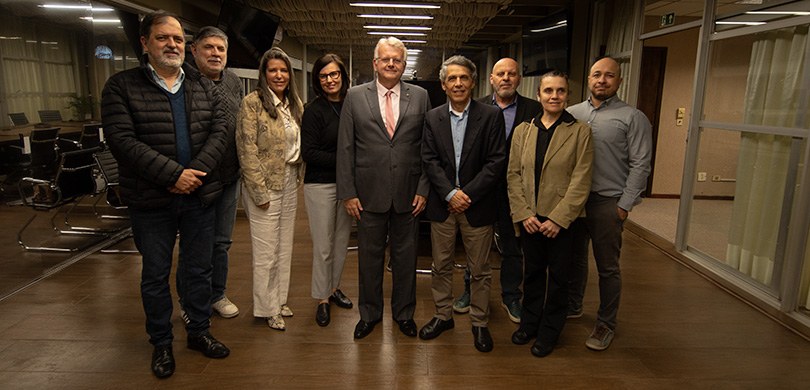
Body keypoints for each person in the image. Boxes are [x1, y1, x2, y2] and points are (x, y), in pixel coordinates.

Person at [101, 12, 230, 379]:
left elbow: (220, 133)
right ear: (145, 43)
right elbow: (122, 142)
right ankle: (160, 341)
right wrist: (174, 175)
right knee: (155, 274)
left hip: (199, 197)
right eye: (162, 38)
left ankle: (198, 332)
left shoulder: (205, 86)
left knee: (198, 269)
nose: (171, 44)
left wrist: (193, 176)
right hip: (151, 200)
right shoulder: (121, 86)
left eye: (176, 38)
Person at [336, 36, 431, 339]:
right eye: (386, 59)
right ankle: (369, 314)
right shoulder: (353, 96)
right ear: (375, 63)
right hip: (367, 193)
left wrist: (424, 188)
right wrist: (348, 192)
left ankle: (404, 314)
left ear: (404, 64)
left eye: (398, 60)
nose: (392, 64)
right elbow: (346, 147)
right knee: (369, 258)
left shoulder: (420, 96)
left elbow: (428, 147)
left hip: (409, 192)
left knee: (406, 259)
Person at [419, 55, 505, 352]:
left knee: (479, 269)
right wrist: (449, 193)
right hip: (443, 206)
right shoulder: (433, 117)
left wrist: (466, 193)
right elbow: (428, 160)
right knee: (440, 265)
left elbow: (496, 162)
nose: (458, 83)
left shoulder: (491, 116)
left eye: (463, 78)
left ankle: (480, 323)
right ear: (443, 85)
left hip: (476, 204)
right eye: (452, 79)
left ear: (472, 81)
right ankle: (443, 315)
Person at [567, 56, 652, 351]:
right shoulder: (571, 112)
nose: (602, 80)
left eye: (609, 76)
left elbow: (641, 164)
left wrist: (624, 204)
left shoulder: (633, 117)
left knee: (608, 267)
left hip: (608, 202)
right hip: (575, 202)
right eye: (596, 75)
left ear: (619, 81)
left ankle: (606, 323)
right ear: (589, 79)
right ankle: (573, 306)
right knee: (575, 260)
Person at [506, 70, 593, 357]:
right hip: (530, 219)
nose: (554, 96)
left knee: (558, 278)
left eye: (560, 91)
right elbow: (513, 175)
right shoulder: (524, 130)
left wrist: (558, 218)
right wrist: (523, 213)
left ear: (567, 95)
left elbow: (582, 179)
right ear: (539, 95)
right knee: (531, 274)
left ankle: (549, 331)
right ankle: (530, 323)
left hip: (562, 222)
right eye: (548, 91)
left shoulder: (580, 131)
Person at [454, 57, 541, 323]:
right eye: (500, 73)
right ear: (491, 79)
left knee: (512, 245)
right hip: (480, 188)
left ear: (519, 79)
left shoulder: (534, 109)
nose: (506, 78)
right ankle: (470, 290)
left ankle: (511, 295)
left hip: (515, 191)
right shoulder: (475, 106)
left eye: (512, 74)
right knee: (475, 245)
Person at [236, 47, 304, 331]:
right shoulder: (252, 103)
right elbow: (246, 148)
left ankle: (279, 300)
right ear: (263, 74)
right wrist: (258, 191)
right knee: (266, 249)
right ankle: (266, 308)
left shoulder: (293, 103)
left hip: (289, 179)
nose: (279, 75)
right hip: (264, 182)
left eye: (284, 70)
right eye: (273, 70)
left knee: (284, 245)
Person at [182, 26, 242, 319]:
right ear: (193, 50)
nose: (215, 53)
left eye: (220, 48)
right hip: (196, 179)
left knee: (222, 242)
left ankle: (216, 294)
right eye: (209, 47)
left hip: (229, 176)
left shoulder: (232, 81)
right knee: (195, 245)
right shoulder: (184, 82)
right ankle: (189, 302)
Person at [301, 53, 354, 327]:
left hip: (348, 185)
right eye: (324, 76)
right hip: (320, 184)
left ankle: (334, 289)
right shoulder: (313, 110)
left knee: (341, 241)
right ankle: (322, 299)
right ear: (317, 81)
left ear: (343, 77)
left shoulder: (352, 104)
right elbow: (308, 152)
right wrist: (346, 161)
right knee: (323, 246)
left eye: (334, 74)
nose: (330, 80)